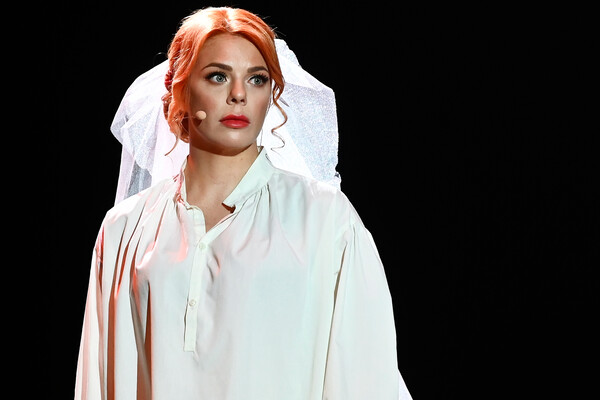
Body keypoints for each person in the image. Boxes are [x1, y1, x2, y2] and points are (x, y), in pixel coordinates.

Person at [75, 7, 412, 399]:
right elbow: (96, 381)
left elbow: (366, 381)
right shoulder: (124, 229)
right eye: (218, 76)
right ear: (179, 88)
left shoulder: (325, 220)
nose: (239, 94)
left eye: (257, 79)